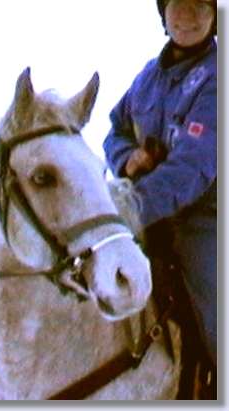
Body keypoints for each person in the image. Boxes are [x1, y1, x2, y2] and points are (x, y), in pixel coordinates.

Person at [103, 0, 217, 377]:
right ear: (163, 14)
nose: (187, 15)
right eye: (177, 5)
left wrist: (132, 207)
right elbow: (114, 129)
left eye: (200, 5)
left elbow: (193, 166)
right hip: (140, 214)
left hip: (202, 220)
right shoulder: (149, 76)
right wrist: (126, 157)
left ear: (216, 16)